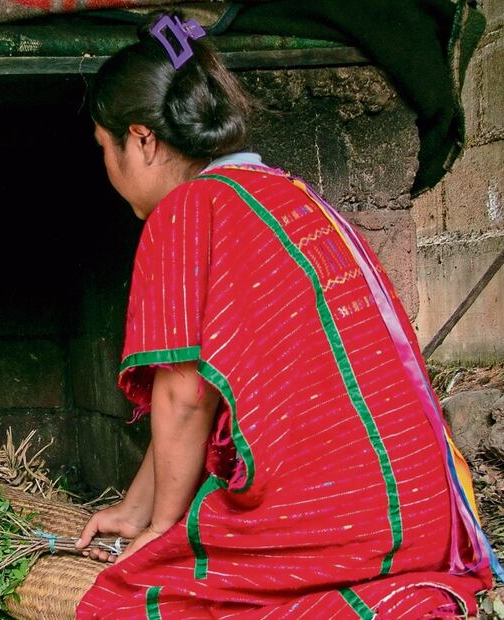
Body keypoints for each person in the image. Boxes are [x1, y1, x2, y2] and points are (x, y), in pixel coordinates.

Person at [73, 12, 499, 619]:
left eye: (104, 150)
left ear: (142, 139)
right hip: (424, 517)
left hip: (346, 529)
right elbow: (194, 393)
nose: (109, 172)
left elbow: (185, 400)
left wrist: (158, 535)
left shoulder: (186, 211)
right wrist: (137, 508)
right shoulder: (284, 191)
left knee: (123, 602)